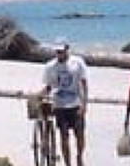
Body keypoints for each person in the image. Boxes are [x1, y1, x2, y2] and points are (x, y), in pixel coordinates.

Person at [41, 38, 89, 166]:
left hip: (76, 103)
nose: (59, 54)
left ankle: (79, 156)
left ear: (67, 49)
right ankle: (68, 163)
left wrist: (84, 104)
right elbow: (49, 86)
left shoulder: (77, 62)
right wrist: (40, 95)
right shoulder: (50, 66)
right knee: (63, 135)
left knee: (79, 134)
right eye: (57, 52)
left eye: (61, 51)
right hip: (60, 105)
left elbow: (84, 83)